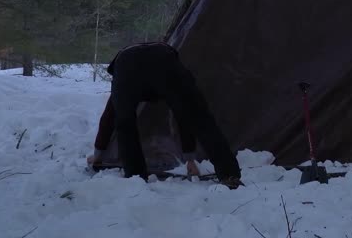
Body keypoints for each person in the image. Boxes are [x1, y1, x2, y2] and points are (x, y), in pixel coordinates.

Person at [88, 42, 242, 188]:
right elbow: (185, 116)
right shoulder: (164, 55)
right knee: (199, 117)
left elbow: (110, 117)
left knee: (124, 122)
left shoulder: (124, 67)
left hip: (129, 67)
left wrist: (98, 155)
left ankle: (135, 177)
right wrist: (190, 159)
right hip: (164, 63)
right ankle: (229, 176)